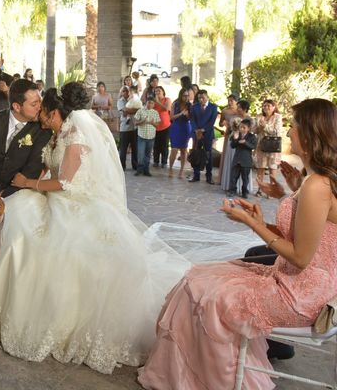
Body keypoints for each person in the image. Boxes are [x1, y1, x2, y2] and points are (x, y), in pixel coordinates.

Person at [0, 82, 190, 374]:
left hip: (74, 204)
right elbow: (47, 167)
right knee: (17, 217)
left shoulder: (75, 136)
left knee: (56, 248)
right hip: (52, 198)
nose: (39, 115)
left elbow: (64, 183)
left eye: (43, 110)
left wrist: (29, 184)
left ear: (54, 113)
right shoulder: (56, 132)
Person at [139, 98, 337, 390]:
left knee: (206, 294)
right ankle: (194, 374)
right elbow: (304, 236)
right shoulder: (313, 181)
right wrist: (263, 218)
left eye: (293, 126)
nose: (289, 132)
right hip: (288, 279)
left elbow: (301, 256)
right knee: (196, 277)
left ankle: (209, 379)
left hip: (301, 294)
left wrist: (251, 223)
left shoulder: (318, 185)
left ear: (308, 135)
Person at [0, 79, 51, 197]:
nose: (40, 108)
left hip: (19, 195)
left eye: (40, 102)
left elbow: (33, 169)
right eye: (34, 104)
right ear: (17, 107)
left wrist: (3, 195)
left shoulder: (43, 131)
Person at [254, 98, 283, 196]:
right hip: (261, 146)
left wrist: (265, 126)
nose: (266, 107)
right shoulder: (259, 117)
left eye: (268, 106)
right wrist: (259, 127)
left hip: (273, 146)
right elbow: (255, 131)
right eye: (264, 105)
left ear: (274, 107)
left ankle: (271, 191)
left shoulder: (278, 117)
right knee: (260, 168)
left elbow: (277, 132)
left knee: (272, 169)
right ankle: (259, 190)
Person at [189, 89, 218, 184]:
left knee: (208, 155)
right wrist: (196, 130)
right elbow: (192, 119)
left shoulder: (213, 107)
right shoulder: (195, 107)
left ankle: (209, 176)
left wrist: (203, 130)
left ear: (207, 97)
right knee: (196, 154)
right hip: (196, 134)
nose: (201, 100)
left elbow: (212, 121)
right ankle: (196, 175)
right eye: (199, 98)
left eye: (203, 98)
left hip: (208, 134)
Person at [228, 118, 257, 198]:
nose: (241, 129)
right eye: (240, 127)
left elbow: (253, 146)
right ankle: (232, 190)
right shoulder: (237, 134)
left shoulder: (252, 136)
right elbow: (232, 146)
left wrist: (245, 142)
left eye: (244, 127)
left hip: (246, 161)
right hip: (237, 159)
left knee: (245, 178)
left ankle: (244, 192)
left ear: (248, 128)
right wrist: (235, 139)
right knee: (233, 177)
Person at [168, 87, 192, 179]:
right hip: (176, 127)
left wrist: (188, 115)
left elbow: (191, 118)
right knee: (174, 149)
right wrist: (181, 113)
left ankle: (181, 171)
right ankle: (170, 168)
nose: (186, 97)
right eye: (184, 96)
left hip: (185, 127)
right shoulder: (175, 104)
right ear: (180, 95)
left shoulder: (190, 105)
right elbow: (171, 117)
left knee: (183, 149)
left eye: (187, 96)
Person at [134, 96, 160, 177]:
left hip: (151, 137)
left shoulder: (155, 113)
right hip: (141, 136)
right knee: (141, 154)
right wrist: (142, 121)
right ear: (146, 103)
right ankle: (139, 169)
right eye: (149, 102)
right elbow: (135, 123)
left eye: (152, 103)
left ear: (154, 104)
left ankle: (146, 170)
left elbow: (157, 125)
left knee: (148, 155)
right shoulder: (140, 111)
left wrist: (152, 123)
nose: (150, 104)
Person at [117, 85, 142, 171]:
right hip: (125, 128)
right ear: (121, 92)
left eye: (127, 91)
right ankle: (122, 166)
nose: (126, 92)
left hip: (135, 128)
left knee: (135, 148)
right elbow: (124, 111)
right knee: (123, 149)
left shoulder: (135, 99)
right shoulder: (120, 101)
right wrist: (134, 110)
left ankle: (135, 166)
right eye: (124, 91)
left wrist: (130, 110)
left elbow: (139, 110)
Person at [218, 93, 239, 186]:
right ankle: (223, 177)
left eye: (232, 101)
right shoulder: (224, 111)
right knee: (226, 154)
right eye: (228, 101)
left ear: (236, 102)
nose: (230, 103)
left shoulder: (239, 111)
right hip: (228, 134)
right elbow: (220, 123)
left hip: (237, 134)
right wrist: (223, 123)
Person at [151, 86, 171, 168]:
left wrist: (158, 101)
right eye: (155, 91)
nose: (157, 92)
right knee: (156, 145)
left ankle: (164, 162)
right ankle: (156, 161)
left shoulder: (167, 99)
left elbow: (166, 108)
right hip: (155, 126)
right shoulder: (153, 101)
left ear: (163, 92)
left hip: (165, 126)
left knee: (164, 144)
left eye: (159, 91)